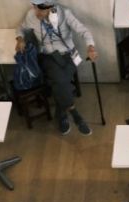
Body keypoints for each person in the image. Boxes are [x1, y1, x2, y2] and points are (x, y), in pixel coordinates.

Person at [16, 0, 96, 136]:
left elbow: (84, 31)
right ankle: (75, 114)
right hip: (48, 56)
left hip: (68, 55)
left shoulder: (65, 14)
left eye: (40, 10)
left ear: (50, 8)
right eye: (35, 8)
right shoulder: (31, 16)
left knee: (59, 81)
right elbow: (21, 28)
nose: (37, 13)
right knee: (60, 80)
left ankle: (61, 113)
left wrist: (91, 47)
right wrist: (20, 39)